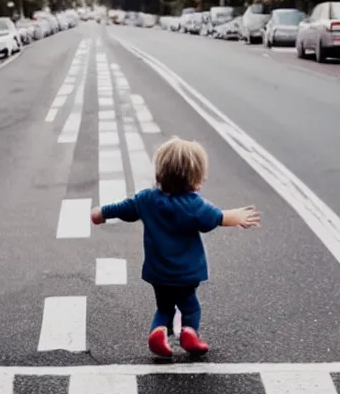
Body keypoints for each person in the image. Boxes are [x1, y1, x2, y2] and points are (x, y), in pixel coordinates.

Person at [91, 136, 261, 358]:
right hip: (186, 273)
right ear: (195, 178)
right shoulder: (193, 205)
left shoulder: (146, 199)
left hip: (158, 272)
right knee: (190, 306)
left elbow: (124, 208)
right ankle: (189, 333)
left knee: (164, 308)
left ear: (160, 173)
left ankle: (159, 331)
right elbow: (217, 218)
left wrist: (101, 213)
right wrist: (238, 217)